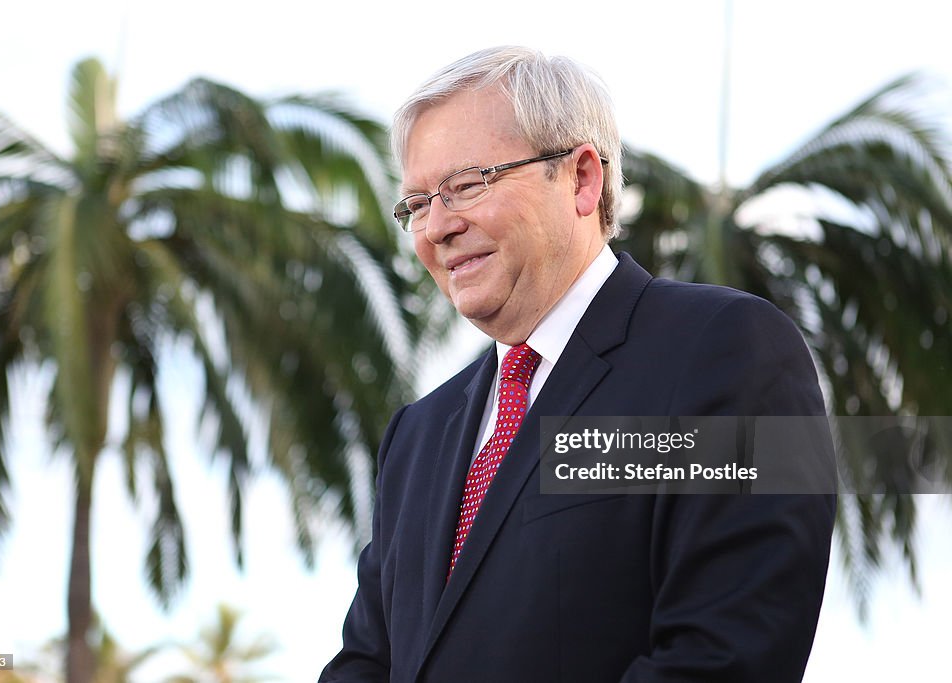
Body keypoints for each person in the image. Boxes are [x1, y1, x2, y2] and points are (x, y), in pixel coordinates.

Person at [320, 46, 835, 682]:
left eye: (464, 185)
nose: (437, 227)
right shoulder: (417, 436)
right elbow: (368, 664)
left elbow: (723, 657)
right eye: (417, 204)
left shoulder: (724, 351)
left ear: (581, 179)